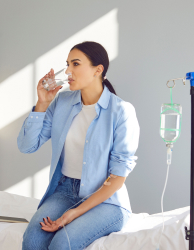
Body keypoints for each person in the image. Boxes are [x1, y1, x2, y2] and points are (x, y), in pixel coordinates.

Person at [18, 41, 140, 250]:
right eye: (67, 64)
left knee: (60, 245)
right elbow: (27, 146)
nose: (67, 71)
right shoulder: (62, 101)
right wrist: (42, 103)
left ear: (98, 70)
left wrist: (74, 213)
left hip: (106, 199)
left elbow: (118, 177)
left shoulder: (121, 111)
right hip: (64, 190)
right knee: (32, 241)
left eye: (75, 64)